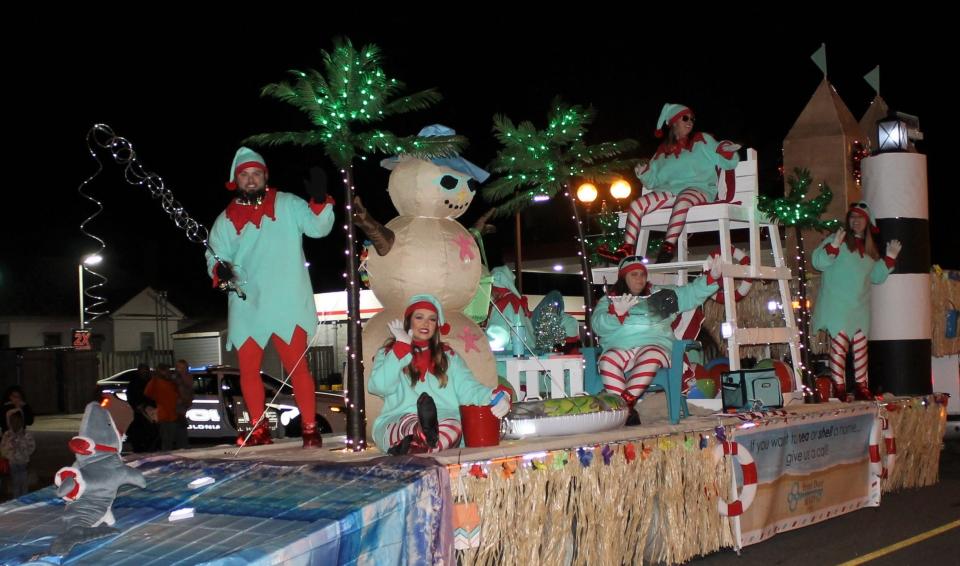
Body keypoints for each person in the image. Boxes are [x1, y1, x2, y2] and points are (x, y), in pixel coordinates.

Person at [206, 147, 335, 448]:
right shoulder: (225, 220)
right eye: (245, 175)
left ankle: (310, 428)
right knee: (248, 370)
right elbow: (214, 255)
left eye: (256, 174)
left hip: (287, 299)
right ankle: (258, 429)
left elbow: (318, 229)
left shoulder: (288, 204)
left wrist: (318, 202)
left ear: (265, 177)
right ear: (235, 180)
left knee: (297, 368)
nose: (251, 180)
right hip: (247, 301)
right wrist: (219, 268)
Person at [370, 294, 511, 455]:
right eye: (419, 317)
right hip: (400, 418)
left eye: (432, 319)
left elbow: (470, 390)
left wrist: (498, 396)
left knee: (454, 426)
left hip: (444, 421)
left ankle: (417, 444)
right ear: (409, 321)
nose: (425, 323)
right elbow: (379, 387)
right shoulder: (389, 353)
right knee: (402, 426)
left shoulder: (449, 356)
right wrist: (401, 347)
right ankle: (420, 435)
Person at [591, 255, 722, 424]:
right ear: (623, 277)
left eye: (642, 274)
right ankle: (626, 411)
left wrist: (712, 278)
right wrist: (617, 314)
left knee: (651, 355)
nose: (640, 278)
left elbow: (690, 293)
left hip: (655, 346)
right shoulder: (610, 300)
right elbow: (598, 326)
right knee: (607, 361)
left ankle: (624, 407)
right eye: (634, 274)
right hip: (621, 347)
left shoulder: (661, 295)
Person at [619, 103, 741, 263]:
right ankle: (626, 252)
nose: (690, 121)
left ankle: (667, 248)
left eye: (692, 118)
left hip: (700, 189)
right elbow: (652, 182)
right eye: (685, 118)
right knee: (636, 205)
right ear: (674, 122)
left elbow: (726, 162)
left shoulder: (702, 141)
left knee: (683, 198)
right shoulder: (663, 152)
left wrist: (726, 150)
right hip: (670, 192)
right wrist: (644, 173)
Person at [812, 201, 901, 401]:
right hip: (838, 306)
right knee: (840, 346)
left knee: (861, 347)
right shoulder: (839, 239)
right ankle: (839, 387)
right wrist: (833, 246)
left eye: (860, 217)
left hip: (859, 308)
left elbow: (877, 276)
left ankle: (861, 386)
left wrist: (889, 258)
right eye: (852, 217)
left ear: (867, 222)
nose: (856, 221)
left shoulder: (869, 252)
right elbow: (818, 261)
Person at [144, 363, 184, 451]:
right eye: (166, 371)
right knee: (167, 440)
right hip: (165, 416)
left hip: (173, 415)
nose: (169, 372)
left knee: (173, 440)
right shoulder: (156, 382)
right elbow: (147, 393)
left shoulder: (170, 382)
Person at [1, 408, 36, 498]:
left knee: (23, 482)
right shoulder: (7, 435)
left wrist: (24, 451)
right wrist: (9, 452)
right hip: (12, 463)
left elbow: (32, 447)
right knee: (15, 482)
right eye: (12, 421)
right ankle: (16, 499)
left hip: (23, 462)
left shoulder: (26, 434)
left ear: (22, 422)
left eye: (18, 421)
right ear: (9, 422)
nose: (15, 423)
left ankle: (24, 499)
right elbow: (2, 448)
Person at [125, 363, 159, 452]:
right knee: (139, 430)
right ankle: (139, 448)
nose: (144, 372)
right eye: (142, 370)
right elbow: (131, 395)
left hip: (149, 409)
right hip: (140, 410)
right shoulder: (134, 382)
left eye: (145, 370)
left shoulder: (150, 381)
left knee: (152, 430)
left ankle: (148, 448)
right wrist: (137, 405)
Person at [173, 359, 193, 448]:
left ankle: (182, 446)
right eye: (178, 367)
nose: (179, 369)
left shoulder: (186, 378)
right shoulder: (175, 378)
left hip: (180, 407)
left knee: (180, 427)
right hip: (175, 407)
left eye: (181, 367)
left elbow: (189, 392)